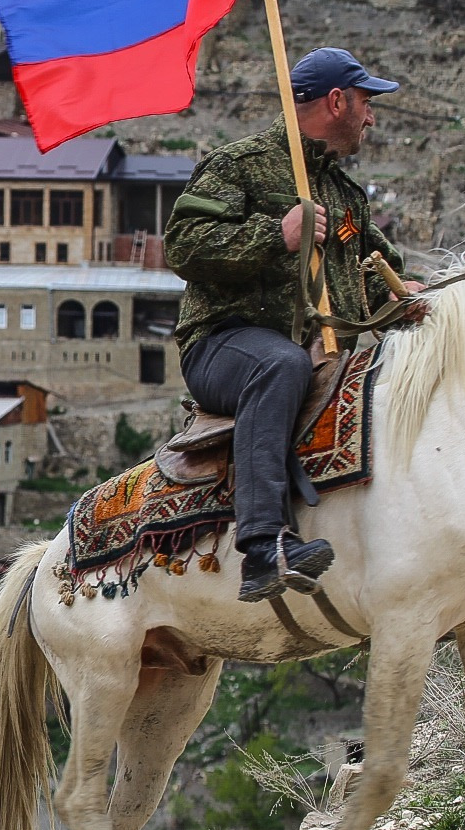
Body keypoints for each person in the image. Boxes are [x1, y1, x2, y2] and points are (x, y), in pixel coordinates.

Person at [163, 47, 421, 602]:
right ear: (336, 101)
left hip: (321, 353)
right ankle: (263, 546)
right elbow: (183, 247)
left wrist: (407, 296)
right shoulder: (239, 165)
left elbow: (371, 272)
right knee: (278, 365)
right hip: (224, 346)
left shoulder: (346, 196)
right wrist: (275, 235)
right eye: (366, 103)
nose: (371, 117)